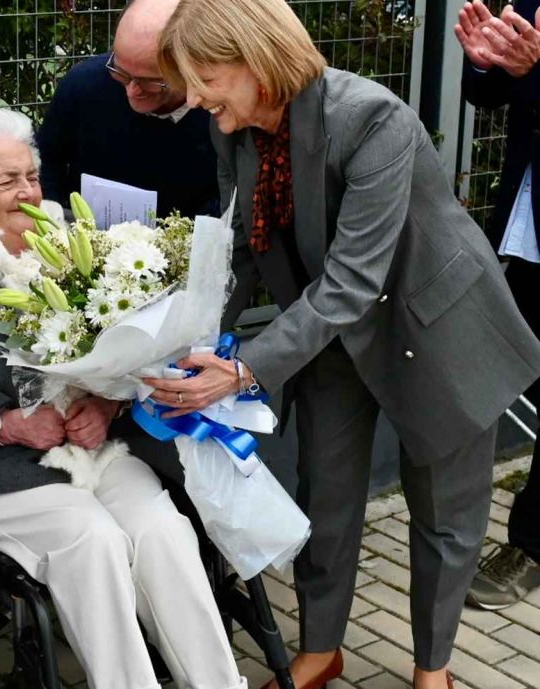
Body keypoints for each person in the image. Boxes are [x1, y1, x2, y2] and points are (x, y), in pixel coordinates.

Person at [149, 0, 540, 687]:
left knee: (444, 515)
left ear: (254, 58)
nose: (195, 95)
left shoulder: (370, 118)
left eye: (204, 75)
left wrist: (241, 371)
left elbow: (352, 282)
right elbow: (242, 248)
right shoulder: (232, 130)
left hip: (436, 325)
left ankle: (434, 668)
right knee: (325, 497)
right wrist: (190, 337)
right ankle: (320, 651)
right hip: (328, 334)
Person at [0, 107, 246, 689]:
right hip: (1, 463)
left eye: (31, 174)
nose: (28, 190)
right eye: (7, 180)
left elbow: (125, 341)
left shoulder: (68, 238)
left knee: (163, 531)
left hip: (92, 443)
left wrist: (107, 404)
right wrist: (3, 421)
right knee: (95, 541)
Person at [456, 0, 540, 611]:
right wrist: (488, 67)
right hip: (526, 221)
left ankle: (530, 547)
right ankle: (451, 530)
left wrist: (534, 73)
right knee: (488, 364)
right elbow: (484, 94)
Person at [36, 0, 217, 217]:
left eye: (149, 80)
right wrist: (53, 216)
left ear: (189, 67)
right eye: (120, 72)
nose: (131, 91)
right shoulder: (84, 84)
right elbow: (44, 160)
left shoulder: (219, 107)